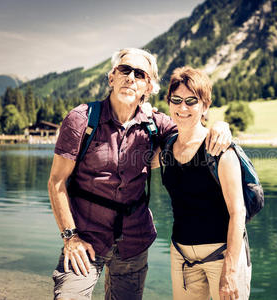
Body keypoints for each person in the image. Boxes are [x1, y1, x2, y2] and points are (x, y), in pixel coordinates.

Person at [48, 48, 231, 300]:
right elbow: (56, 181)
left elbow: (191, 130)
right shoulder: (81, 120)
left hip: (133, 242)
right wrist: (71, 237)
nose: (130, 78)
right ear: (111, 77)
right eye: (124, 70)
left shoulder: (157, 124)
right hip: (85, 239)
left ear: (149, 87)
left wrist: (220, 126)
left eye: (139, 74)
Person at [154, 66, 251, 300]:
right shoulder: (166, 149)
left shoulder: (219, 150)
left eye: (191, 101)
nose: (183, 107)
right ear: (169, 103)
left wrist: (230, 271)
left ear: (205, 106)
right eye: (176, 100)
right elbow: (132, 162)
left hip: (222, 255)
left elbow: (238, 212)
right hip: (182, 256)